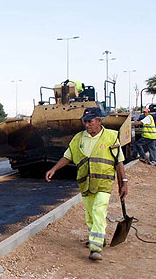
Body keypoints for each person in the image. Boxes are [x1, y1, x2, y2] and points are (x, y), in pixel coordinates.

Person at [45, 107, 128, 261]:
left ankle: (95, 248)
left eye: (90, 121)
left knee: (98, 210)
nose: (87, 125)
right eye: (85, 122)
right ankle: (98, 237)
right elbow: (68, 156)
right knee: (89, 215)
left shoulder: (110, 137)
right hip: (85, 184)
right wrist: (54, 169)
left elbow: (119, 161)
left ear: (99, 121)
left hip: (104, 183)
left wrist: (123, 182)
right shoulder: (78, 138)